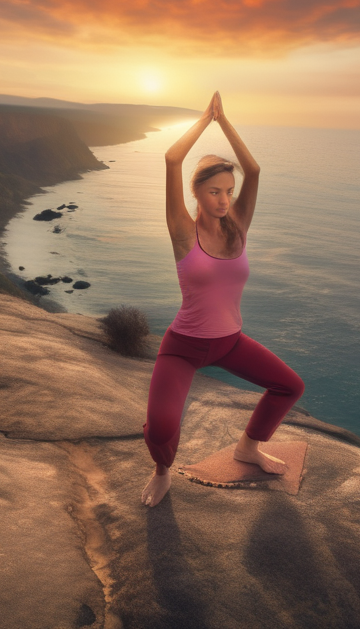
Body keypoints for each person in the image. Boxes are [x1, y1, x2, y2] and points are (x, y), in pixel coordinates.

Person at [141, 91, 305, 507]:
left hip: (230, 341)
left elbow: (253, 168)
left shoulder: (239, 226)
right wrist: (203, 120)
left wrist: (225, 121)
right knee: (160, 428)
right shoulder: (182, 231)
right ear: (196, 193)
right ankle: (162, 472)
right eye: (214, 192)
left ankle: (247, 448)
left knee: (289, 386)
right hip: (184, 346)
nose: (224, 200)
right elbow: (172, 160)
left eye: (228, 192)